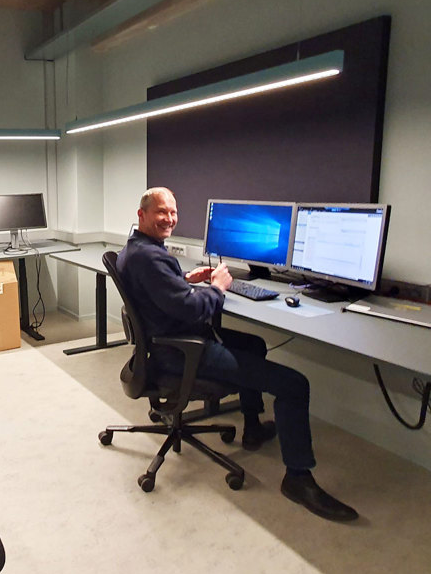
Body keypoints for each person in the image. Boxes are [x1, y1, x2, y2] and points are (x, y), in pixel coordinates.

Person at [117, 186, 358, 522]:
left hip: (166, 344)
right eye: (162, 212)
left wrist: (184, 279)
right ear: (142, 215)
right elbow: (191, 311)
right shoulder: (151, 256)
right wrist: (218, 288)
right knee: (294, 385)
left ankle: (252, 427)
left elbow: (156, 292)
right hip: (185, 352)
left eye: (173, 212)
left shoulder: (136, 250)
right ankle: (298, 479)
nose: (170, 218)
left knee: (254, 345)